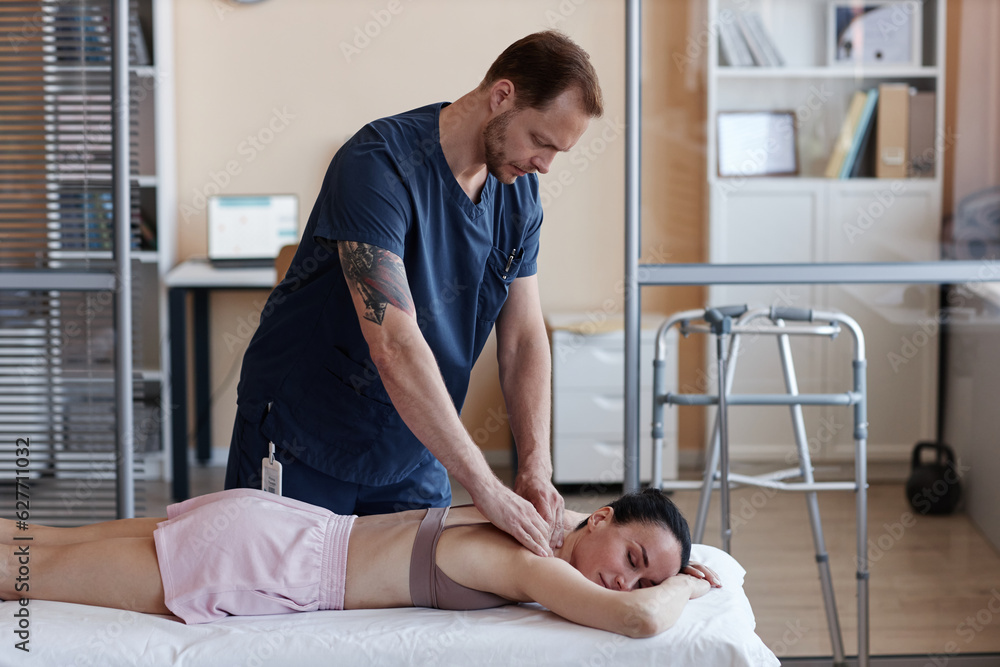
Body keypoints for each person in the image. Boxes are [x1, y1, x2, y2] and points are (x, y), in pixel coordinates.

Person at [225, 31, 604, 559]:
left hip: (416, 439)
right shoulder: (376, 164)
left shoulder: (518, 197)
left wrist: (533, 466)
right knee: (280, 609)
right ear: (502, 96)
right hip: (304, 436)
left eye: (557, 152)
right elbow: (395, 342)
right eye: (541, 141)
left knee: (423, 610)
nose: (544, 165)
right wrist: (485, 488)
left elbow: (522, 337)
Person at [1, 488, 721, 637]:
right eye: (634, 555)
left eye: (646, 576)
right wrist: (685, 587)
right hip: (268, 558)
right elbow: (635, 622)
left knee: (40, 541)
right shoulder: (533, 562)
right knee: (23, 573)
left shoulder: (530, 515)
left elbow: (621, 589)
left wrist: (669, 573)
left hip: (270, 521)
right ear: (601, 518)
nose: (629, 580)